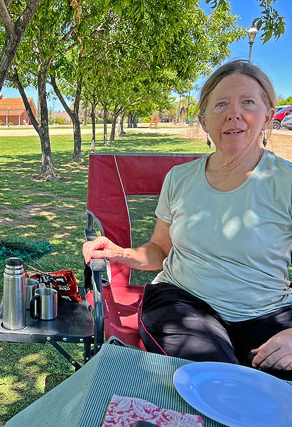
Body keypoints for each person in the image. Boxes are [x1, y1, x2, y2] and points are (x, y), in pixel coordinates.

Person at [82, 60, 292, 379]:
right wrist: (119, 252)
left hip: (268, 312)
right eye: (221, 104)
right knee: (216, 382)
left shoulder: (285, 182)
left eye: (248, 102)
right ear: (204, 121)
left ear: (267, 116)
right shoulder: (179, 179)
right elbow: (160, 250)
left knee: (273, 394)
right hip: (183, 302)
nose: (234, 113)